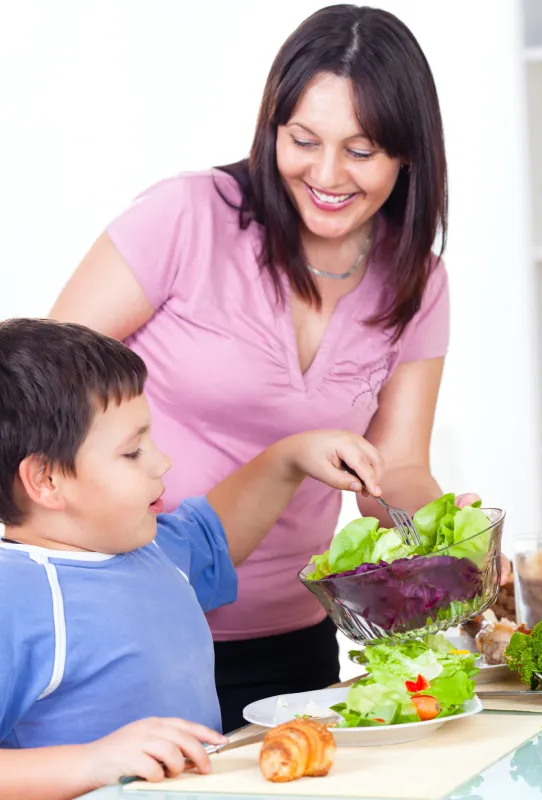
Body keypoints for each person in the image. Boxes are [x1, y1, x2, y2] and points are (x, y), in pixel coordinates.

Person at [50, 4, 489, 731]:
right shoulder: (190, 216)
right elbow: (42, 387)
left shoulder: (417, 280)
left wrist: (443, 541)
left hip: (292, 637)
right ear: (273, 130)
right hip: (137, 628)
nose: (325, 174)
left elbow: (399, 468)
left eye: (361, 149)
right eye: (303, 140)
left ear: (408, 152)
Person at [0, 318, 384, 800]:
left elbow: (217, 531)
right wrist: (90, 762)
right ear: (48, 480)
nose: (162, 462)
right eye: (133, 452)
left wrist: (291, 458)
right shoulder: (17, 597)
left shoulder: (152, 550)